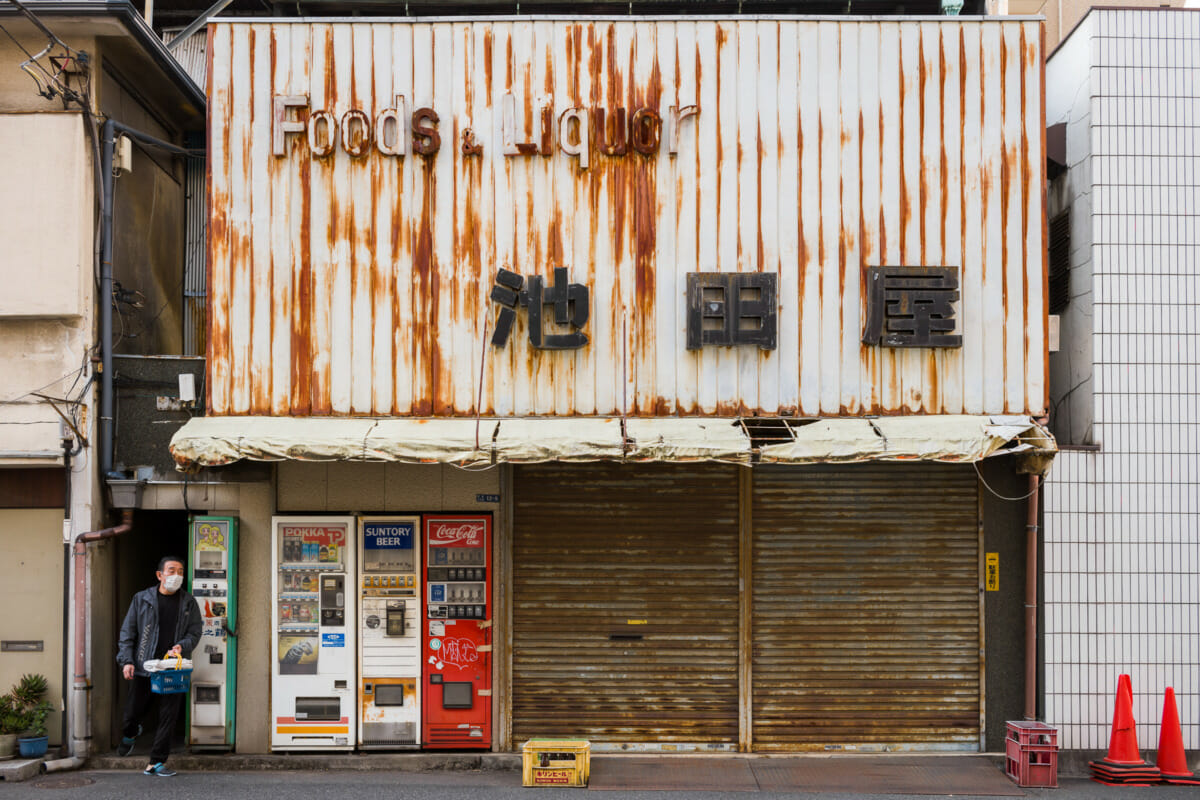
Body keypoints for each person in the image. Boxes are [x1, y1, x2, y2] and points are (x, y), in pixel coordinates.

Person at [115, 555, 202, 777]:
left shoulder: (188, 602)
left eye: (181, 572)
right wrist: (126, 660)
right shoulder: (141, 599)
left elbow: (195, 632)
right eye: (172, 570)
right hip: (145, 666)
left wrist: (182, 645)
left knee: (168, 716)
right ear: (159, 575)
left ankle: (156, 762)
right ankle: (131, 733)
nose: (176, 576)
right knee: (133, 712)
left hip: (173, 668)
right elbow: (128, 632)